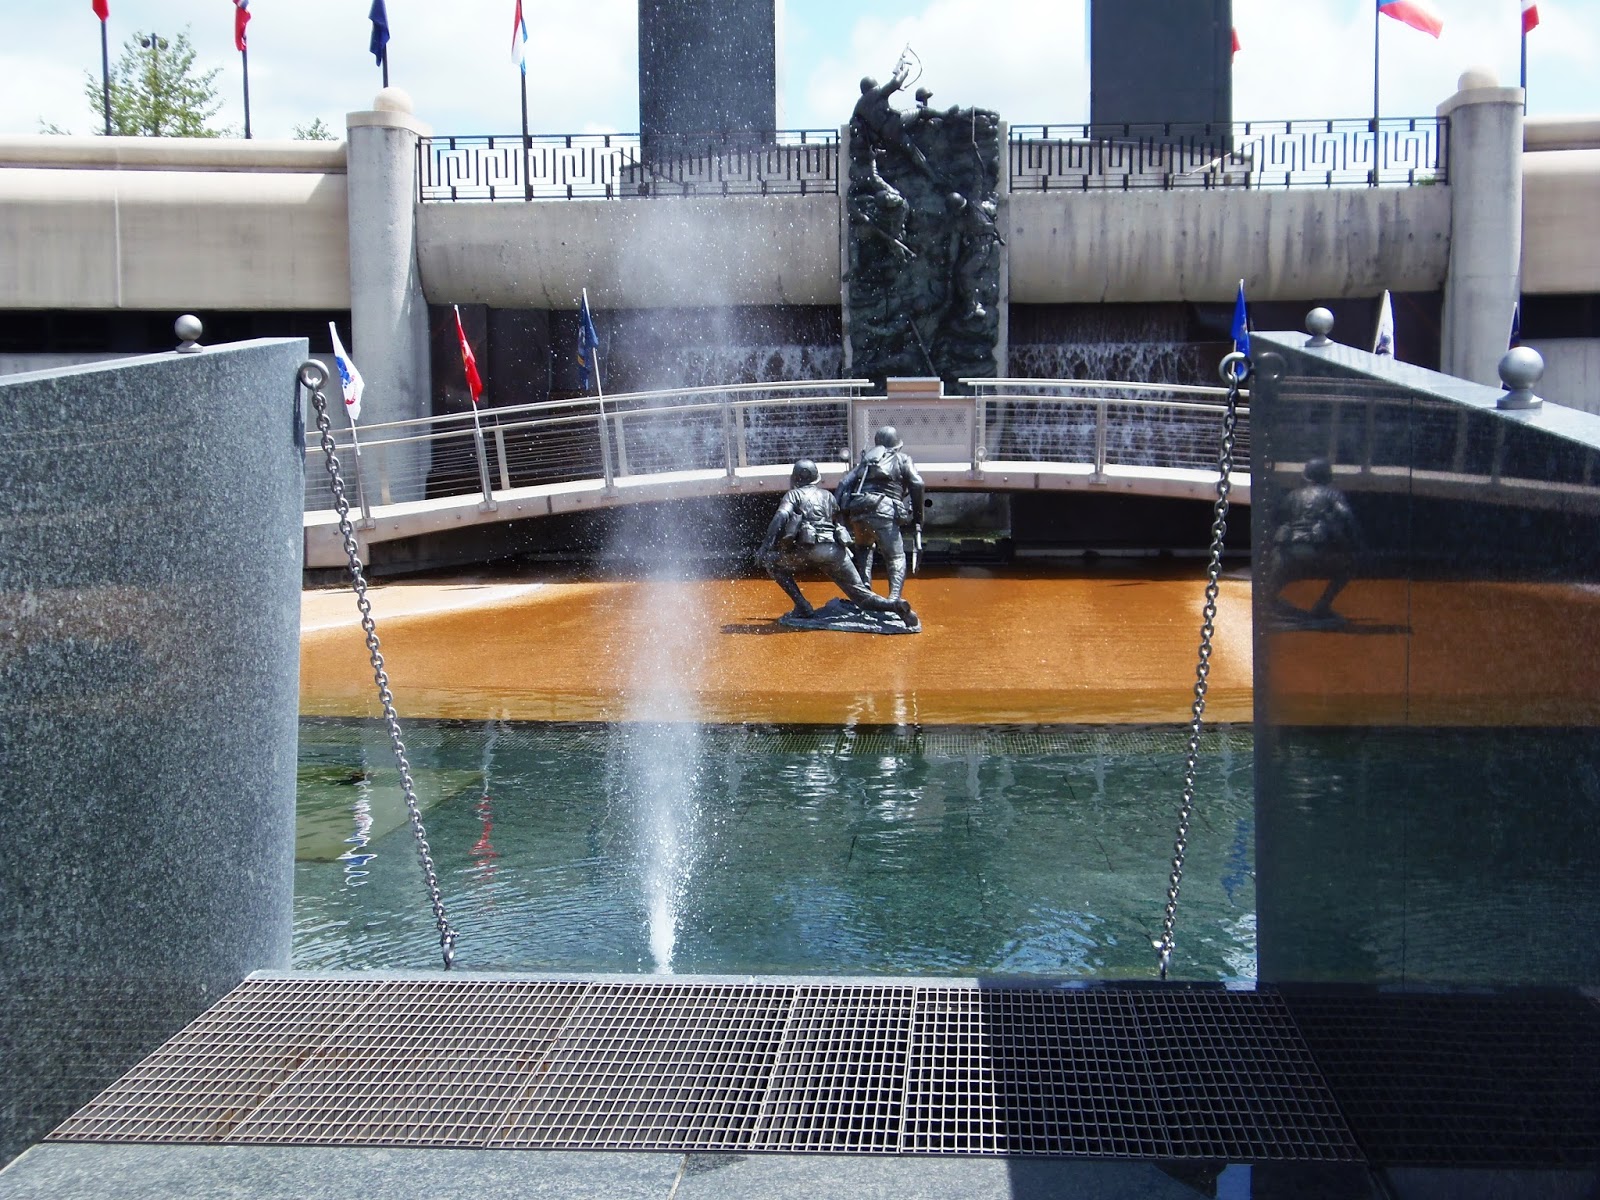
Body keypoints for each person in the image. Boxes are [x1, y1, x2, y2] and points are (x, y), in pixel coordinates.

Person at [757, 459, 916, 624]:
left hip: (806, 549)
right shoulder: (828, 496)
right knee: (862, 598)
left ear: (795, 478)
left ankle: (803, 606)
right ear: (816, 477)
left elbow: (781, 516)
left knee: (772, 562)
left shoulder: (793, 495)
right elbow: (839, 521)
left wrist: (765, 546)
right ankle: (895, 605)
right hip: (835, 551)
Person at [1262, 457, 1361, 622]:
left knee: (1282, 566)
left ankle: (1269, 602)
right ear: (1328, 477)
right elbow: (1347, 516)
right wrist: (1355, 543)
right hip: (1316, 553)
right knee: (1349, 564)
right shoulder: (1332, 494)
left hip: (1286, 555)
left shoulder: (1292, 496)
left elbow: (1274, 520)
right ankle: (1321, 607)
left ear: (1305, 476)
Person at [836, 426, 926, 603]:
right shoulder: (902, 459)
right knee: (896, 557)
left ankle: (864, 590)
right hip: (884, 511)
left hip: (859, 511)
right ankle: (894, 599)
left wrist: (838, 519)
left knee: (863, 548)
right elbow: (918, 484)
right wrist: (918, 520)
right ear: (897, 445)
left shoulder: (865, 462)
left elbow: (842, 485)